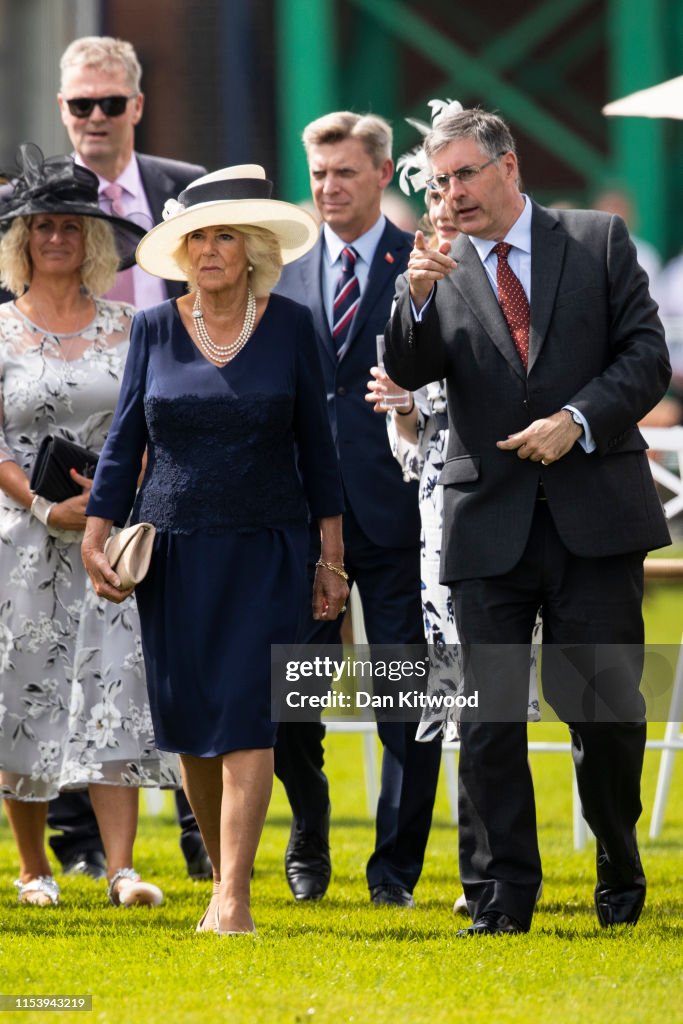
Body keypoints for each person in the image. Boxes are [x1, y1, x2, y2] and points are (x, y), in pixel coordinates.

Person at [385, 107, 671, 935]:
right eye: (439, 182)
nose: (451, 194)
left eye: (465, 175)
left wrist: (576, 420)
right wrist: (411, 296)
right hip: (485, 521)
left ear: (508, 168)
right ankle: (501, 896)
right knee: (486, 717)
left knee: (605, 714)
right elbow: (408, 368)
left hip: (595, 518)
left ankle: (618, 864)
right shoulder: (435, 267)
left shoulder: (598, 242)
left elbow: (645, 360)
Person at [81, 164, 346, 934]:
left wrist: (330, 557)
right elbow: (127, 435)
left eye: (224, 235)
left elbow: (318, 450)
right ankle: (220, 879)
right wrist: (100, 529)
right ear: (181, 252)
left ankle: (233, 895)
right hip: (176, 552)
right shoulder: (156, 328)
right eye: (197, 238)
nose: (210, 250)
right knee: (192, 723)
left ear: (254, 248)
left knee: (247, 716)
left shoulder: (292, 325)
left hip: (267, 548)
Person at [48, 34, 209, 881]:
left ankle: (200, 833)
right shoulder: (33, 204)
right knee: (66, 652)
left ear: (137, 106)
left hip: (184, 454)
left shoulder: (187, 194)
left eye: (112, 102)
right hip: (72, 460)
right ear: (62, 108)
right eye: (82, 104)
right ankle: (77, 847)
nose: (97, 118)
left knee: (185, 650)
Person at [0, 145, 177, 909]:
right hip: (18, 538)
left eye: (72, 225)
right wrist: (43, 505)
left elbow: (152, 429)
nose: (57, 237)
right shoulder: (0, 330)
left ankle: (120, 868)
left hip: (109, 543)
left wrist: (110, 501)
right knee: (23, 694)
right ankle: (33, 867)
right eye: (42, 225)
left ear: (94, 239)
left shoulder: (134, 326)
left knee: (114, 689)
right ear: (22, 239)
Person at [274, 111, 442, 908]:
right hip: (305, 521)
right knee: (293, 701)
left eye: (343, 172)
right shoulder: (283, 267)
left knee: (406, 698)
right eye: (318, 174)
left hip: (404, 514)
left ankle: (394, 874)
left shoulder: (425, 266)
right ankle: (308, 841)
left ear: (381, 174)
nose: (328, 187)